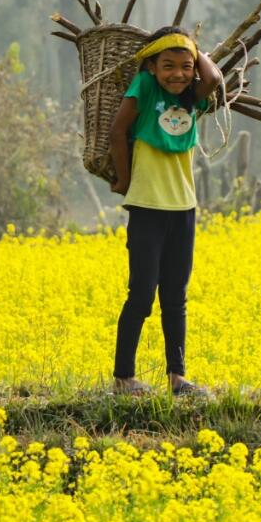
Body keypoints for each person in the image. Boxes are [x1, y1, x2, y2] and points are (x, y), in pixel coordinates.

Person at [107, 26, 222, 397]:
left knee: (175, 296)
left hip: (183, 208)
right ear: (152, 68)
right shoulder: (144, 88)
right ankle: (124, 377)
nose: (178, 73)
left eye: (185, 66)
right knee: (141, 294)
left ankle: (178, 377)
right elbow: (117, 131)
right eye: (168, 65)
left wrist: (192, 47)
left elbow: (214, 77)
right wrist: (124, 181)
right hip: (146, 206)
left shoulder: (194, 98)